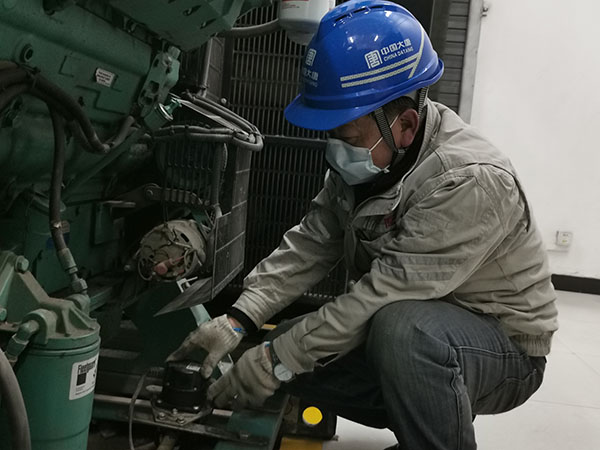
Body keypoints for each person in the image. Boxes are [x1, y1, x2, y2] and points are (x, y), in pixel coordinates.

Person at [168, 1, 559, 448]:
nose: (336, 148)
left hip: (502, 346)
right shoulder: (371, 160)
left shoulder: (467, 180)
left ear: (405, 125)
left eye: (348, 136)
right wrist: (239, 320)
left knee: (400, 332)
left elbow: (385, 294)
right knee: (293, 347)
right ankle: (426, 410)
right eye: (332, 134)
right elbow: (312, 242)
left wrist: (277, 360)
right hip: (423, 321)